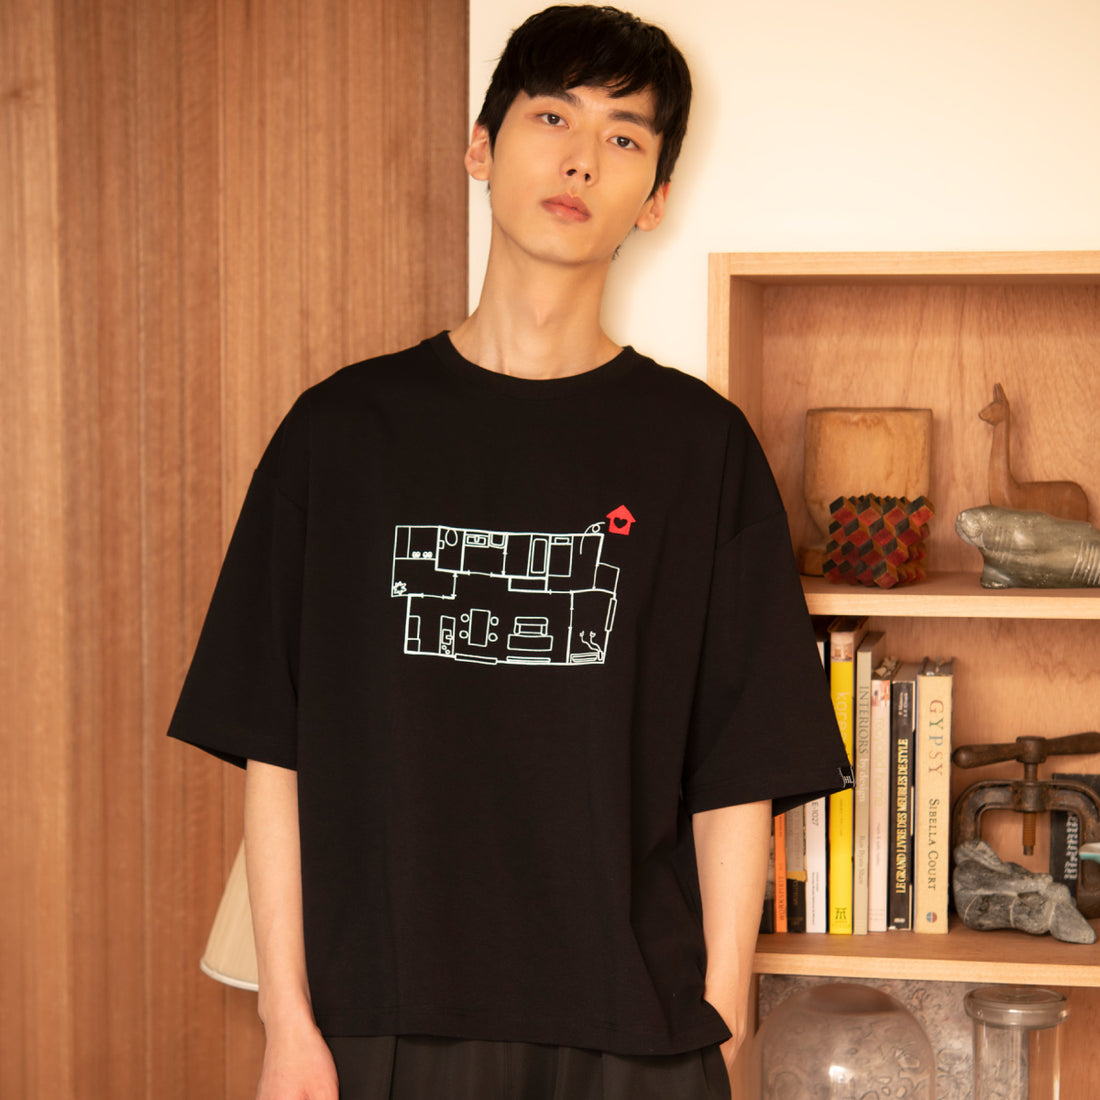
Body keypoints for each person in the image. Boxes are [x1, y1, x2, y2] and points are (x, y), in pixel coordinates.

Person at [168, 6, 852, 1098]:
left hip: (635, 1026)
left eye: (623, 136)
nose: (582, 159)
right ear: (481, 148)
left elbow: (739, 769)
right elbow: (275, 753)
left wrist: (725, 1020)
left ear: (656, 196)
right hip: (379, 1018)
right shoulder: (340, 434)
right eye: (551, 117)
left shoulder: (699, 447)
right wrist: (286, 1019)